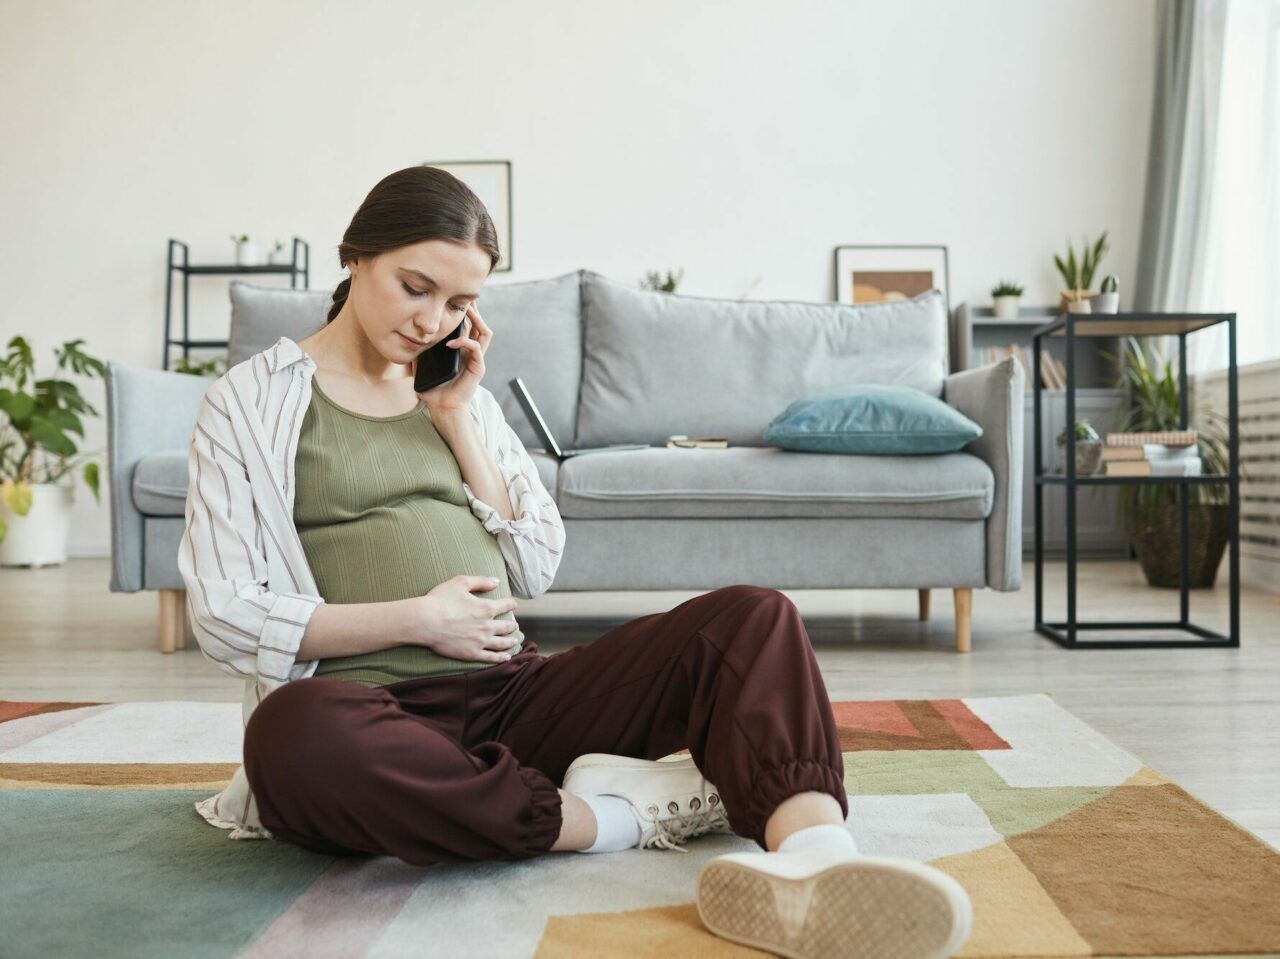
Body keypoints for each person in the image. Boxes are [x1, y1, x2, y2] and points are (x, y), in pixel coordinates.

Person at [178, 165, 972, 959]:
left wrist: (453, 420)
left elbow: (536, 564)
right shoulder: (250, 402)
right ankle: (612, 817)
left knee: (752, 617)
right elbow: (222, 611)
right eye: (414, 286)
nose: (431, 320)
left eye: (458, 304)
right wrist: (423, 620)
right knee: (289, 739)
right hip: (368, 719)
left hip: (517, 698)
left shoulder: (462, 396)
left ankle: (815, 861)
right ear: (356, 255)